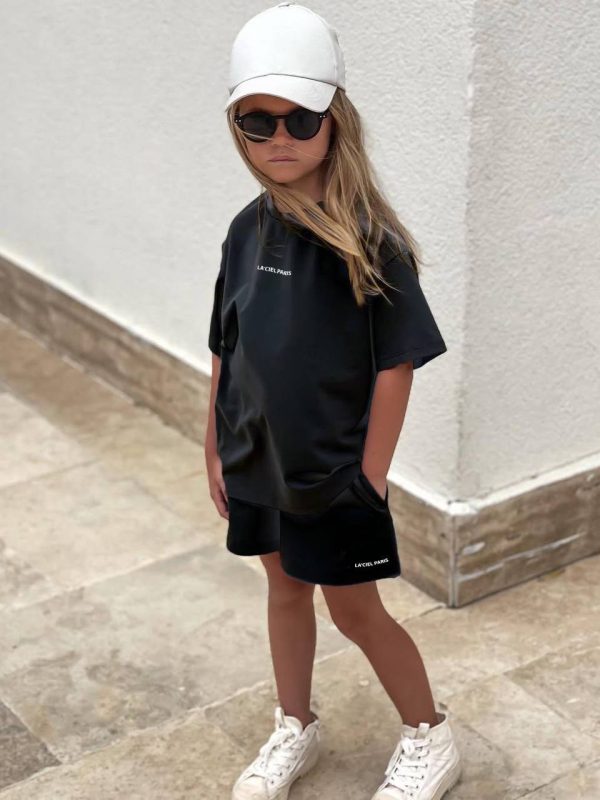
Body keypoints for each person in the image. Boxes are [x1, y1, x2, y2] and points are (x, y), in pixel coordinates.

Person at [204, 3, 462, 799]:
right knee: (284, 591)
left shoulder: (370, 243)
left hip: (334, 475)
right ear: (238, 128)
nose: (279, 137)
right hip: (257, 461)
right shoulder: (244, 230)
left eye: (300, 118)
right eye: (257, 121)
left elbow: (398, 363)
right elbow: (225, 345)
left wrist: (370, 478)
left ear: (335, 121)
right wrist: (213, 447)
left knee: (356, 613)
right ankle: (296, 723)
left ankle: (430, 735)